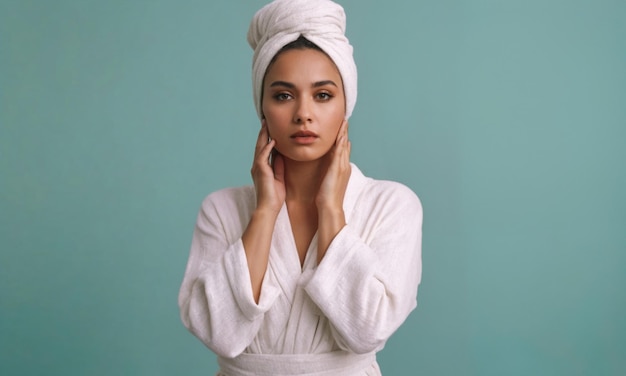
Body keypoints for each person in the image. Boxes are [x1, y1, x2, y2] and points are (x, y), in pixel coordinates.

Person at [178, 0, 423, 375]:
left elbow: (368, 332)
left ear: (346, 106)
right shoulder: (222, 210)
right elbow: (218, 333)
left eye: (323, 95)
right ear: (262, 108)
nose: (303, 113)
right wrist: (263, 212)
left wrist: (331, 211)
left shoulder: (391, 205)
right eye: (283, 95)